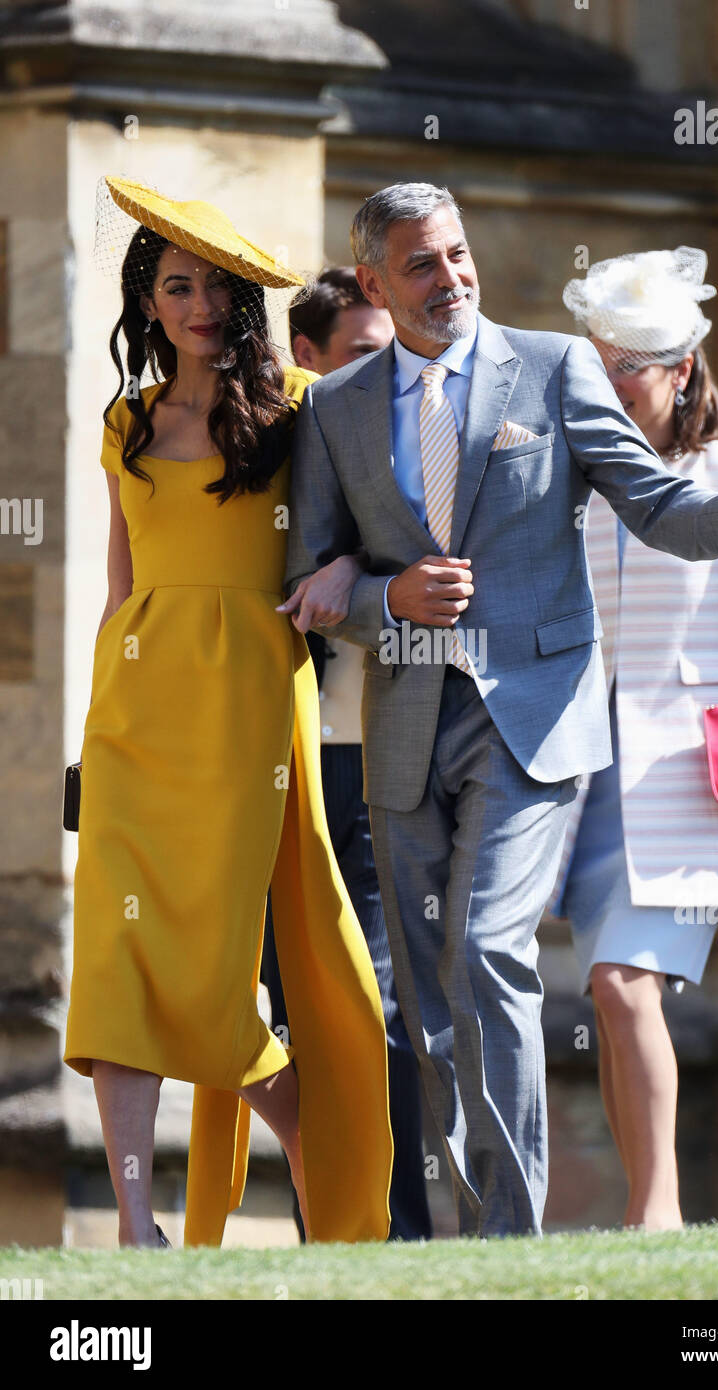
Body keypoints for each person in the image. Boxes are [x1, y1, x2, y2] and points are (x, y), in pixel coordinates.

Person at [281, 181, 718, 1238]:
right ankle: (467, 1224)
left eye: (456, 254)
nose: (450, 277)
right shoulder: (335, 410)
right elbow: (312, 575)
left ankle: (507, 1237)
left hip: (532, 717)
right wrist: (381, 597)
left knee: (487, 945)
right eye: (420, 264)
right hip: (405, 723)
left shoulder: (550, 366)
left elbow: (656, 499)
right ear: (371, 283)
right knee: (429, 999)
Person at [64, 176, 392, 1248]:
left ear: (244, 303)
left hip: (253, 709)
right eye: (175, 285)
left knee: (207, 966)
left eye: (215, 286)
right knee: (116, 960)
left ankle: (308, 1146)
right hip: (135, 712)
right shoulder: (121, 422)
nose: (199, 303)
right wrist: (89, 735)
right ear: (146, 301)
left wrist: (340, 569)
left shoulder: (303, 409)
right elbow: (122, 592)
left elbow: (366, 538)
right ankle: (132, 1229)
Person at [549, 247, 718, 1230]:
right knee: (604, 989)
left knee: (625, 984)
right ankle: (640, 1205)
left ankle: (656, 1212)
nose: (605, 381)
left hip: (682, 774)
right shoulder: (565, 478)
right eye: (595, 362)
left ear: (679, 367)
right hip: (574, 773)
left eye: (627, 364)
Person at [262, 267, 432, 1242]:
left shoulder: (424, 443)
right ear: (308, 362)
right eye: (365, 353)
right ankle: (335, 1229)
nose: (388, 371)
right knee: (299, 1007)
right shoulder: (275, 453)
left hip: (389, 756)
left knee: (382, 1003)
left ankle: (390, 1230)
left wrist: (355, 567)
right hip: (286, 763)